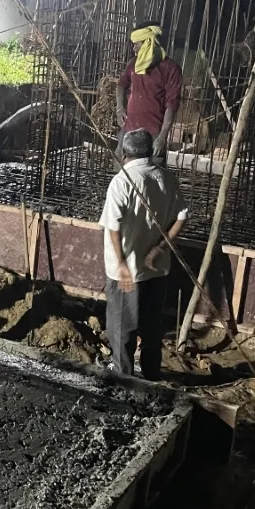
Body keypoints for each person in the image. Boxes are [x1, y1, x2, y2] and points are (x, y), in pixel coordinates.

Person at [99, 129, 187, 379]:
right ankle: (151, 375)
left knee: (121, 327)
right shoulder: (167, 177)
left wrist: (121, 264)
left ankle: (123, 378)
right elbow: (182, 217)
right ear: (149, 151)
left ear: (124, 152)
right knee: (151, 327)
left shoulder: (122, 181)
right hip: (156, 269)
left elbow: (113, 227)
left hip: (128, 272)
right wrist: (160, 248)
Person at [116, 20, 182, 164]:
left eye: (137, 44)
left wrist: (162, 137)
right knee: (122, 169)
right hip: (129, 129)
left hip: (153, 133)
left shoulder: (170, 68)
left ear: (149, 43)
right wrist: (120, 109)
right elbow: (121, 85)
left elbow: (172, 105)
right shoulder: (134, 63)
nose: (134, 48)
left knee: (153, 171)